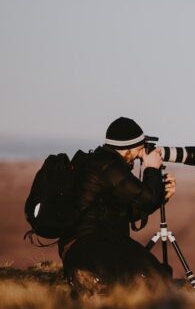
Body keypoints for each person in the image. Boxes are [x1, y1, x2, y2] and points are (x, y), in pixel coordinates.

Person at [58, 117, 177, 294]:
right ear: (127, 148)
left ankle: (91, 277)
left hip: (101, 241)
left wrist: (163, 196)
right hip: (88, 243)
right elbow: (147, 198)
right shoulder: (107, 166)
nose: (140, 154)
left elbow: (131, 212)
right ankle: (86, 277)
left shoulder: (108, 164)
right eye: (139, 148)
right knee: (151, 279)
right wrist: (151, 168)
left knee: (157, 275)